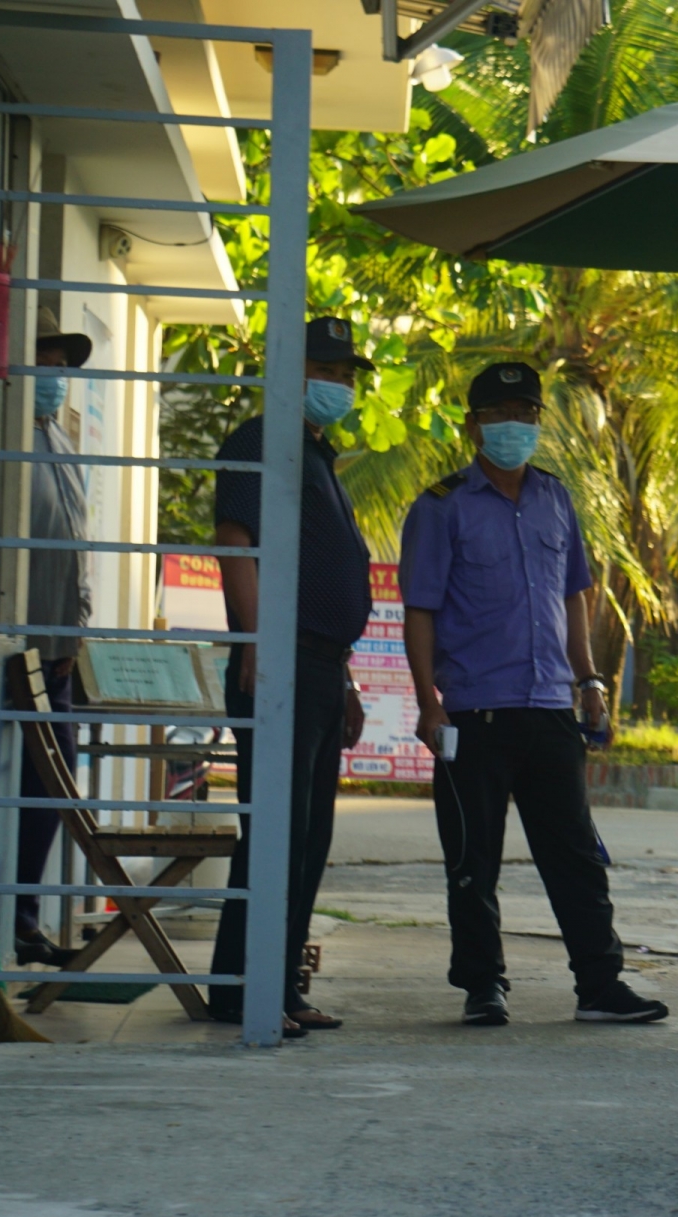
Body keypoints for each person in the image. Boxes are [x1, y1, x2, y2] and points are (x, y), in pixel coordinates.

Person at [399, 361, 667, 1028]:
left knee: (575, 853)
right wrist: (428, 702)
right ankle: (483, 984)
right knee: (472, 857)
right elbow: (420, 610)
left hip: (550, 706)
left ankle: (600, 984)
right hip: (473, 711)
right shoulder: (439, 507)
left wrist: (590, 680)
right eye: (498, 415)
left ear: (539, 422)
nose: (513, 426)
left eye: (525, 413)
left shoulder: (555, 498)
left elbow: (574, 595)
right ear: (472, 424)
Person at [206, 317, 373, 1037]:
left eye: (346, 374)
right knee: (274, 830)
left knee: (307, 837)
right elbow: (235, 544)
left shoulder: (315, 455)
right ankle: (243, 987)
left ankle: (276, 982)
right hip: (278, 662)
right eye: (324, 368)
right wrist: (256, 642)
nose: (338, 383)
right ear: (287, 368)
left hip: (320, 666)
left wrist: (346, 678)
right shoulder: (257, 442)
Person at [15, 308, 92, 967]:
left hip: (60, 654)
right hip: (15, 648)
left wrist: (80, 630)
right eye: (47, 361)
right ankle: (16, 918)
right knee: (35, 786)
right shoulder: (3, 440)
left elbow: (75, 548)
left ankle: (24, 915)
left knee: (58, 786)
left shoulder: (62, 447)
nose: (56, 376)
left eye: (64, 366)